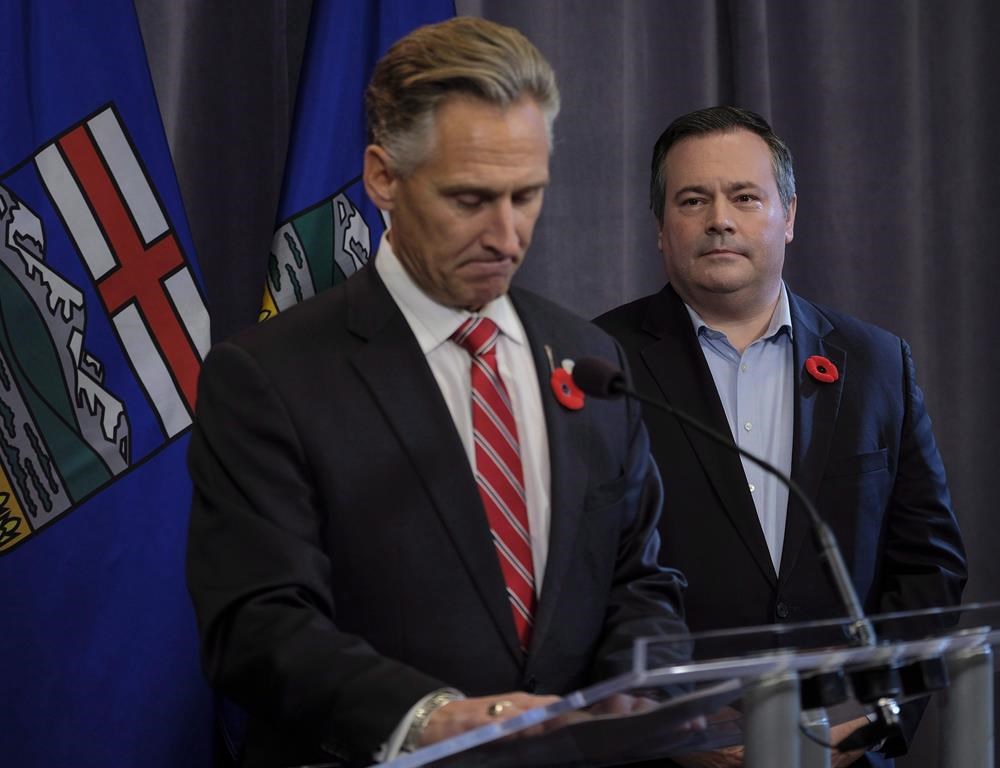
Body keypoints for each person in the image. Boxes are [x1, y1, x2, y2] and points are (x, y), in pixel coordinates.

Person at [186, 17, 688, 768]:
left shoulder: (590, 357)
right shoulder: (269, 377)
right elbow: (258, 625)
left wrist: (629, 695)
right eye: (469, 198)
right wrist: (430, 719)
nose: (506, 234)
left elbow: (639, 577)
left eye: (527, 195)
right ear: (384, 177)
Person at [595, 106, 968, 766]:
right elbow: (577, 581)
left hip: (842, 747)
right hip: (668, 753)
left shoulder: (877, 362)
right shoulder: (600, 364)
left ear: (788, 216)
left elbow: (929, 569)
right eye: (692, 199)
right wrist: (662, 724)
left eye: (744, 196)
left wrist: (876, 717)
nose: (720, 219)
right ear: (660, 227)